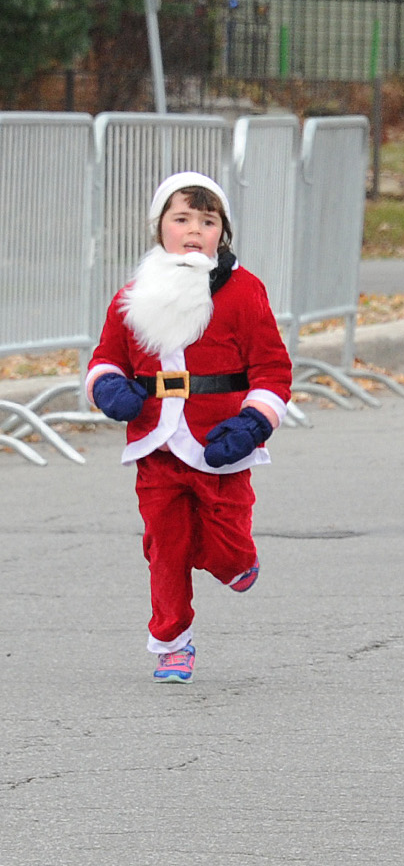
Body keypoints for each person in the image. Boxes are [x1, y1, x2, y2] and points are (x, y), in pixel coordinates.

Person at [87, 173, 292, 683]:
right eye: (182, 219)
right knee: (166, 546)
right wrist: (108, 387)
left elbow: (273, 369)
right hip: (156, 443)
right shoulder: (133, 295)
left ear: (223, 232)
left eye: (208, 221)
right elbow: (106, 357)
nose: (195, 230)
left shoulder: (244, 291)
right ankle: (172, 644)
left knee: (226, 545)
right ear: (160, 227)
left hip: (221, 441)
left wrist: (253, 423)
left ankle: (235, 560)